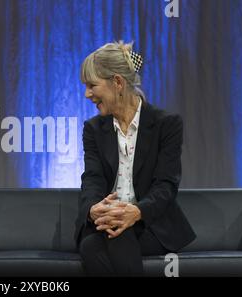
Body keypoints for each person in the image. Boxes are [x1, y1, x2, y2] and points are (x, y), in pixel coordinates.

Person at [75, 41, 196, 276]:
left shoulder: (166, 124)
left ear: (117, 82)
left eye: (92, 85)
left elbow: (166, 185)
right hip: (105, 224)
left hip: (150, 223)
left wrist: (136, 212)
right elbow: (92, 179)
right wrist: (94, 209)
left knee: (118, 236)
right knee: (93, 243)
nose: (87, 94)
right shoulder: (93, 129)